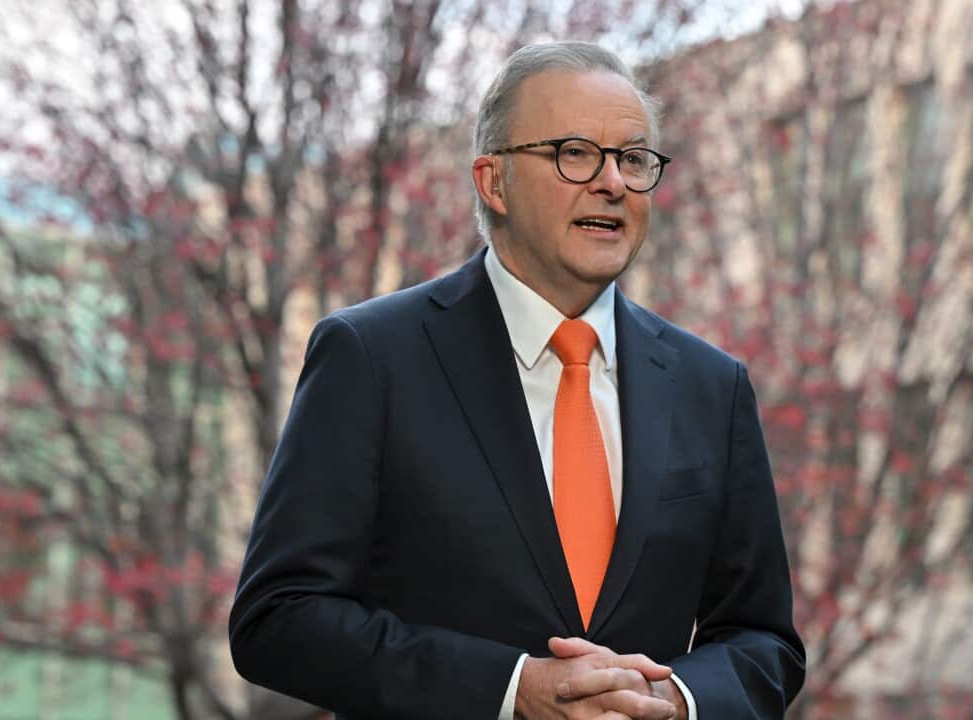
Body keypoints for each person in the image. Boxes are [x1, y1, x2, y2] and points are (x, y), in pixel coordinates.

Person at [229, 41, 805, 719]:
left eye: (633, 158)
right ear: (492, 181)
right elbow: (278, 617)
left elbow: (764, 641)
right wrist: (509, 691)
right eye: (575, 153)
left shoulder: (712, 386)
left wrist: (674, 699)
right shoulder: (371, 356)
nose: (613, 182)